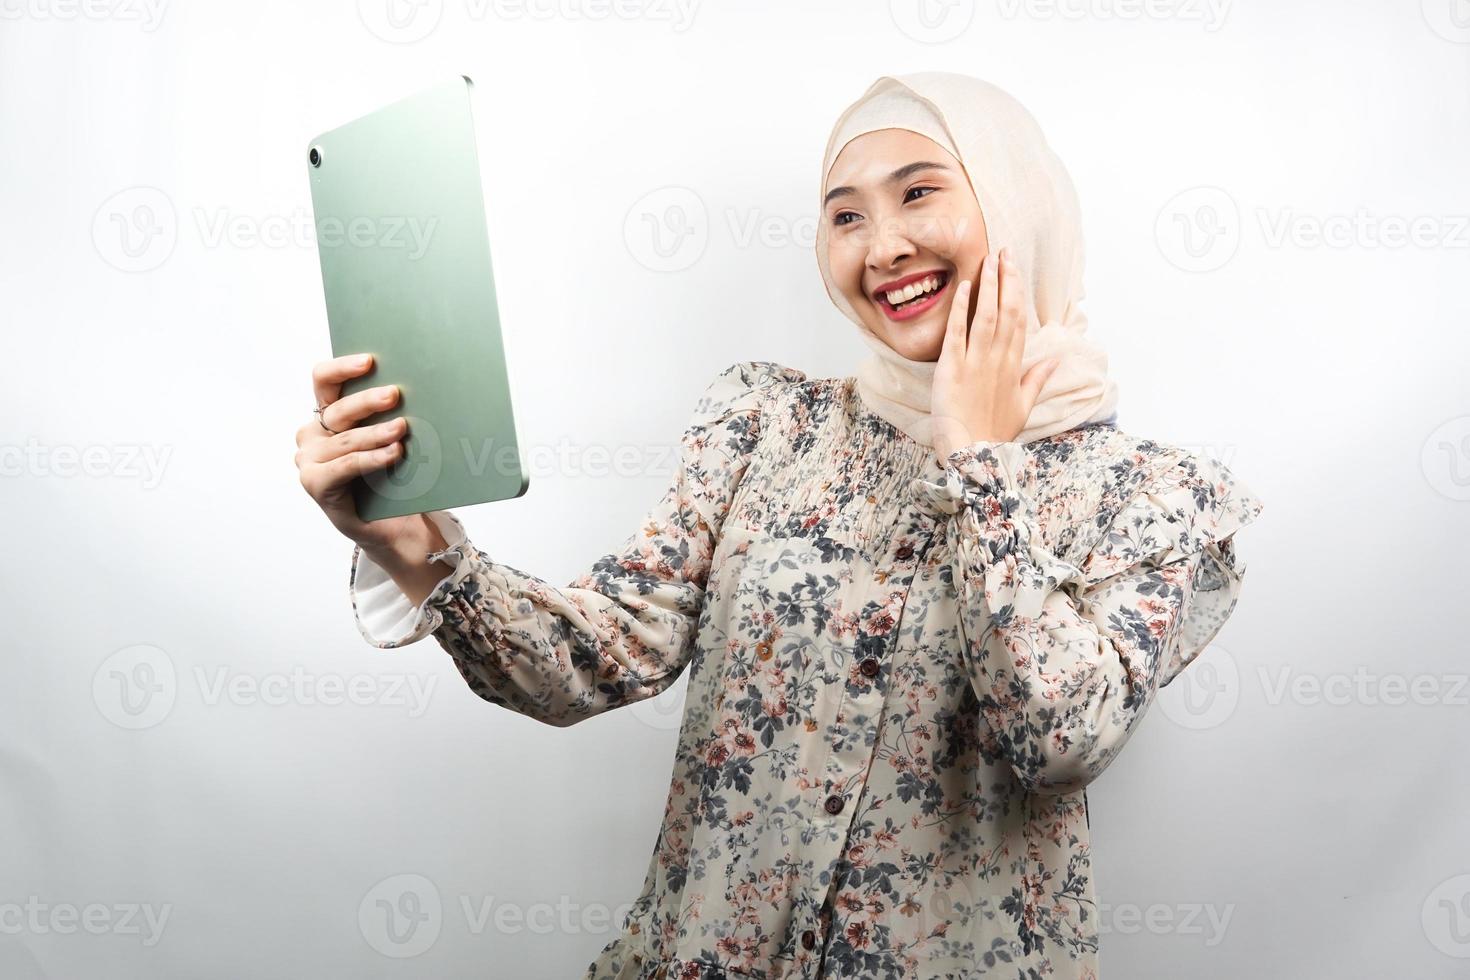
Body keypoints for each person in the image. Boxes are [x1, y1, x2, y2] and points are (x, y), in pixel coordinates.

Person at [294, 71, 1264, 980]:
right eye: (845, 215)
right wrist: (413, 544)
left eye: (918, 193)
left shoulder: (1152, 494)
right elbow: (597, 657)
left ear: (1019, 205)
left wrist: (978, 460)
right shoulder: (766, 421)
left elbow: (1055, 739)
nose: (880, 247)